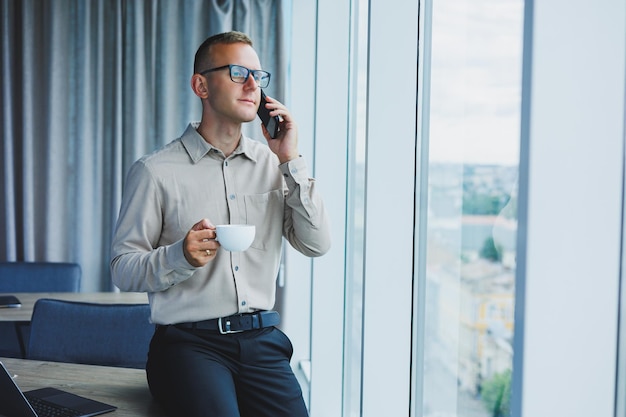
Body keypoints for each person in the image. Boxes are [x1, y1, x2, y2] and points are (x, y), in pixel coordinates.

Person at [110, 31, 331, 417]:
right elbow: (122, 269)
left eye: (258, 76)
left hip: (263, 342)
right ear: (201, 85)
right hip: (188, 345)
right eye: (237, 72)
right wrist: (179, 257)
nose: (252, 86)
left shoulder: (275, 166)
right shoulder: (155, 172)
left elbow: (316, 244)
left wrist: (290, 159)